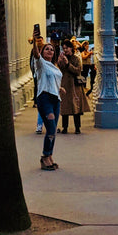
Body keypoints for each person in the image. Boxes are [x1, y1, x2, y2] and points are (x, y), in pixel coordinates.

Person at [31, 32, 63, 170]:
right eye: (47, 49)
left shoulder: (54, 66)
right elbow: (36, 54)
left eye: (52, 49)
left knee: (53, 130)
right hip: (44, 98)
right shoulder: (40, 63)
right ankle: (44, 156)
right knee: (50, 127)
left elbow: (55, 80)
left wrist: (60, 88)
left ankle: (49, 155)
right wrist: (34, 42)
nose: (50, 50)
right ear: (42, 52)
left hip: (56, 98)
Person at [58, 39, 90, 133]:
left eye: (67, 48)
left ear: (71, 48)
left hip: (74, 86)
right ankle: (65, 127)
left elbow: (78, 71)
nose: (65, 50)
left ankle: (77, 127)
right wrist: (60, 62)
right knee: (65, 108)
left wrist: (68, 64)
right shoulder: (62, 57)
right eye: (63, 48)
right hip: (65, 85)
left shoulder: (76, 58)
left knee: (76, 107)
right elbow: (60, 70)